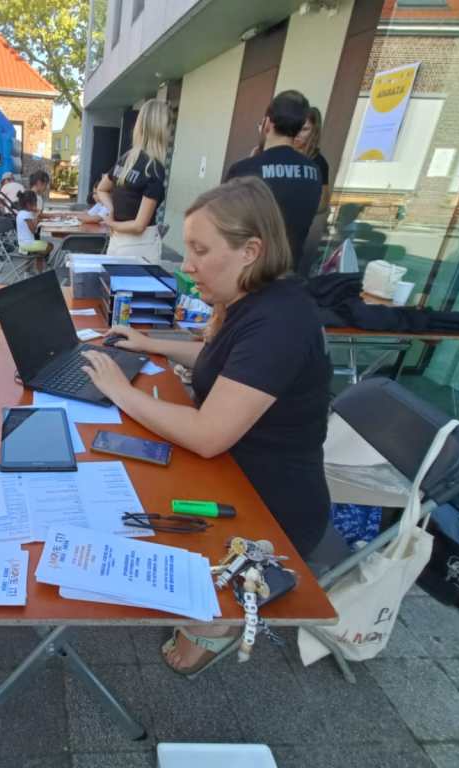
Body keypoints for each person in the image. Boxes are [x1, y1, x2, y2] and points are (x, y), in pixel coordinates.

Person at [79, 177, 332, 676]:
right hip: (233, 474)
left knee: (124, 490)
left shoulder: (279, 323)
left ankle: (218, 621)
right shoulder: (258, 301)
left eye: (200, 250)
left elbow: (208, 435)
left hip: (266, 506)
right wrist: (151, 343)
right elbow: (228, 364)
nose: (188, 265)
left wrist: (119, 390)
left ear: (250, 252)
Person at [224, 90, 321, 272]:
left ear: (267, 123)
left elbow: (224, 225)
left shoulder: (244, 169)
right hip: (289, 271)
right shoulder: (314, 171)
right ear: (299, 128)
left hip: (250, 272)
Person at [95, 99, 170, 264]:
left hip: (116, 242)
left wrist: (111, 211)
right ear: (162, 129)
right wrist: (111, 223)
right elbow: (139, 226)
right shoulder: (154, 168)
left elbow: (101, 189)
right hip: (140, 246)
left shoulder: (126, 159)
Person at [293, 106, 332, 277]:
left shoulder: (318, 162)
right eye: (295, 127)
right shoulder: (280, 154)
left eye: (304, 129)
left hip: (295, 235)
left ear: (314, 132)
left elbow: (323, 204)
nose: (297, 134)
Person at [15, 189, 52, 269]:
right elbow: (33, 230)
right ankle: (42, 264)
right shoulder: (26, 215)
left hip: (23, 243)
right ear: (28, 204)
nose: (36, 206)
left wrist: (37, 218)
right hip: (27, 244)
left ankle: (34, 265)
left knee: (41, 250)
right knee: (49, 246)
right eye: (35, 203)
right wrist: (37, 216)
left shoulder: (21, 213)